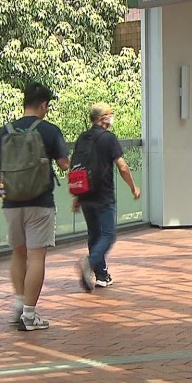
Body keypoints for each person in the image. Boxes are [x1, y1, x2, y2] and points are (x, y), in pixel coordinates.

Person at [0, 83, 69, 331]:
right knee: (36, 257)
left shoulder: (6, 130)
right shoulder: (49, 130)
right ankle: (29, 316)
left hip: (10, 202)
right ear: (44, 105)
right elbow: (64, 164)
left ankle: (20, 304)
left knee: (18, 253)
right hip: (40, 203)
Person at [72, 103, 141, 292]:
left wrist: (77, 197)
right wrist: (133, 187)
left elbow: (78, 168)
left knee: (94, 234)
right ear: (103, 118)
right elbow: (122, 166)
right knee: (108, 235)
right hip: (103, 194)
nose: (112, 117)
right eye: (110, 114)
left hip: (85, 194)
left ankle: (101, 275)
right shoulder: (108, 138)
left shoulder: (82, 138)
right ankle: (89, 262)